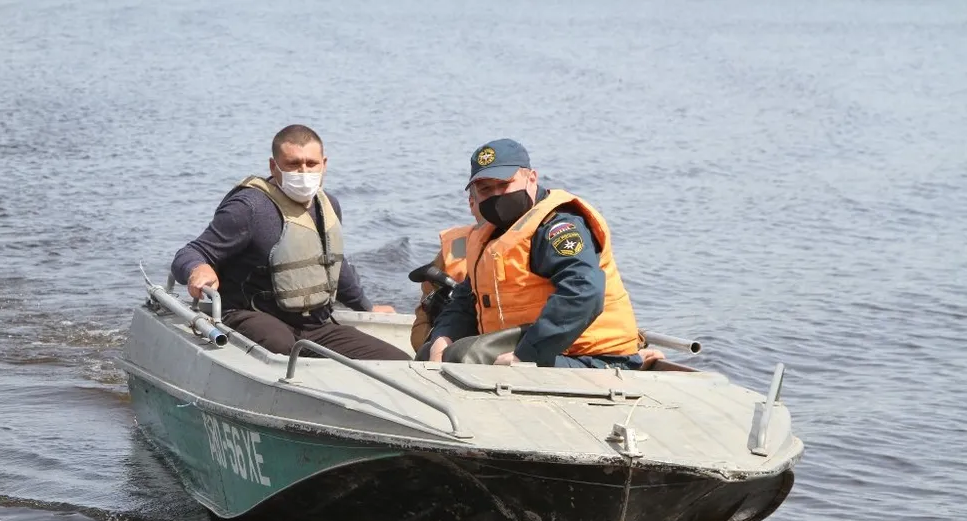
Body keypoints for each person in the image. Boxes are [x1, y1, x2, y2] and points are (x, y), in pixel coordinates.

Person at [171, 124, 409, 360]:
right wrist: (197, 268)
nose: (304, 172)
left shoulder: (329, 206)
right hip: (251, 315)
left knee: (396, 361)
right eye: (293, 164)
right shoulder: (249, 208)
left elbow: (334, 265)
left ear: (324, 164)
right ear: (274, 166)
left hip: (314, 326)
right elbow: (192, 251)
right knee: (279, 344)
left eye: (311, 164)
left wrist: (366, 307)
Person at [425, 138, 664, 370]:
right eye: (486, 189)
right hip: (540, 348)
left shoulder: (557, 226)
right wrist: (442, 337)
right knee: (434, 350)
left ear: (532, 178)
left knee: (466, 356)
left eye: (504, 184)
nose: (497, 195)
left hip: (592, 356)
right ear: (474, 196)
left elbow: (584, 292)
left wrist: (525, 355)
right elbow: (467, 298)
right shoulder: (490, 234)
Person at [409, 192, 484, 351]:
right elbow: (421, 322)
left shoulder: (529, 243)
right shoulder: (454, 249)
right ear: (472, 204)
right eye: (486, 192)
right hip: (454, 344)